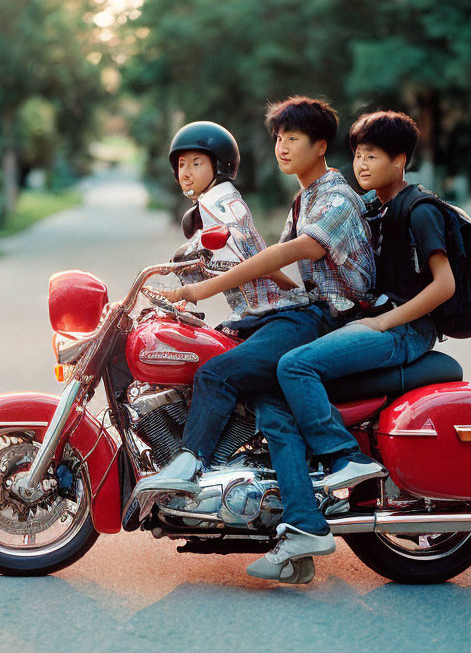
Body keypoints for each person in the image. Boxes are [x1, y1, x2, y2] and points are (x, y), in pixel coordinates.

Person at [129, 97, 375, 556]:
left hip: (326, 319)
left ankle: (189, 463)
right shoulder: (305, 200)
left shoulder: (336, 197)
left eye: (293, 138)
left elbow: (285, 256)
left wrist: (198, 291)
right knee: (273, 415)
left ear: (321, 145)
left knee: (217, 373)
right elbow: (272, 267)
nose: (281, 147)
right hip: (302, 313)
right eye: (278, 138)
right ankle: (304, 523)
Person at [245, 111, 454, 582]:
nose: (361, 163)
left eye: (373, 155)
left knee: (295, 367)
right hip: (372, 321)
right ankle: (302, 525)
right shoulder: (372, 206)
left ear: (400, 161)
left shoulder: (418, 209)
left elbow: (445, 285)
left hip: (404, 329)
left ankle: (346, 458)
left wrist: (385, 320)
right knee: (271, 391)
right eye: (358, 154)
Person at [166, 120, 302, 320]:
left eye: (196, 163)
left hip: (264, 311)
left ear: (219, 166)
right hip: (251, 311)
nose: (186, 172)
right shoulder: (211, 200)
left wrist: (293, 290)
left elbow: (248, 251)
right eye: (181, 164)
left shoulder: (220, 202)